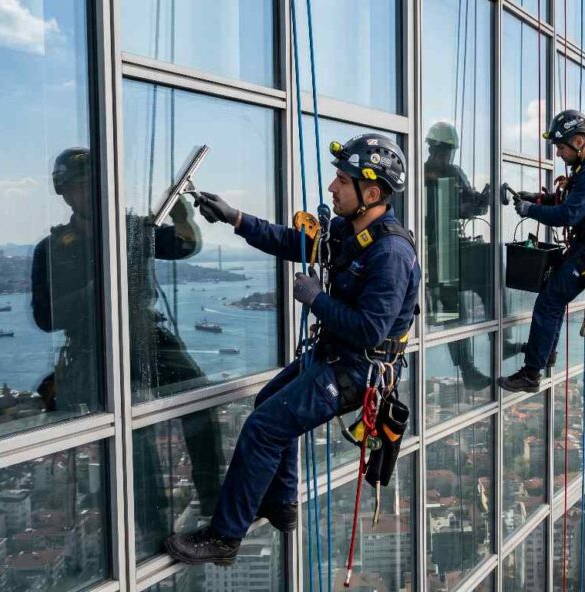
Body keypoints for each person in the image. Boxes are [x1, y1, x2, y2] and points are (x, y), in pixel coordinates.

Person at [164, 133, 421, 566]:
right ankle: (281, 502)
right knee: (267, 404)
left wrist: (317, 299)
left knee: (263, 428)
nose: (332, 188)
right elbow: (293, 241)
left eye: (343, 181)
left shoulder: (390, 253)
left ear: (372, 193)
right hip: (336, 357)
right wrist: (235, 218)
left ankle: (225, 537)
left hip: (357, 371)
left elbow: (370, 330)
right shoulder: (350, 231)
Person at [33, 148, 225, 550]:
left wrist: (181, 215)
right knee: (134, 433)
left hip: (146, 334)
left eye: (94, 184)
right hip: (94, 345)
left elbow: (184, 246)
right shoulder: (52, 249)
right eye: (80, 185)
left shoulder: (132, 230)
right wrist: (96, 290)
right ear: (64, 193)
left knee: (199, 398)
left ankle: (212, 500)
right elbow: (46, 317)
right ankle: (154, 530)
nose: (90, 192)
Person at [497, 110, 585, 392]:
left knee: (549, 301)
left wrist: (530, 210)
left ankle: (531, 373)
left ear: (578, 141)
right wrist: (538, 199)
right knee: (552, 299)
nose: (558, 153)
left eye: (561, 147)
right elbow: (576, 201)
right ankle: (544, 355)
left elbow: (568, 214)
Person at [424, 121, 494, 388]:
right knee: (455, 312)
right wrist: (470, 205)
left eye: (446, 151)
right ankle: (469, 368)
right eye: (443, 151)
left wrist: (482, 200)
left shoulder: (446, 173)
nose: (445, 156)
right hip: (439, 252)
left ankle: (495, 344)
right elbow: (436, 213)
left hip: (446, 250)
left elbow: (474, 206)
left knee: (479, 291)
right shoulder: (431, 175)